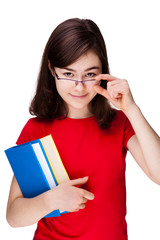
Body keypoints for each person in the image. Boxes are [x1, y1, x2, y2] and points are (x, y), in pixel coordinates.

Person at [6, 18, 160, 240]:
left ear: (103, 72)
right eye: (68, 74)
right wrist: (50, 200)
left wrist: (131, 109)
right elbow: (13, 216)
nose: (79, 86)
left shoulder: (120, 123)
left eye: (89, 74)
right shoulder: (36, 129)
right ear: (51, 69)